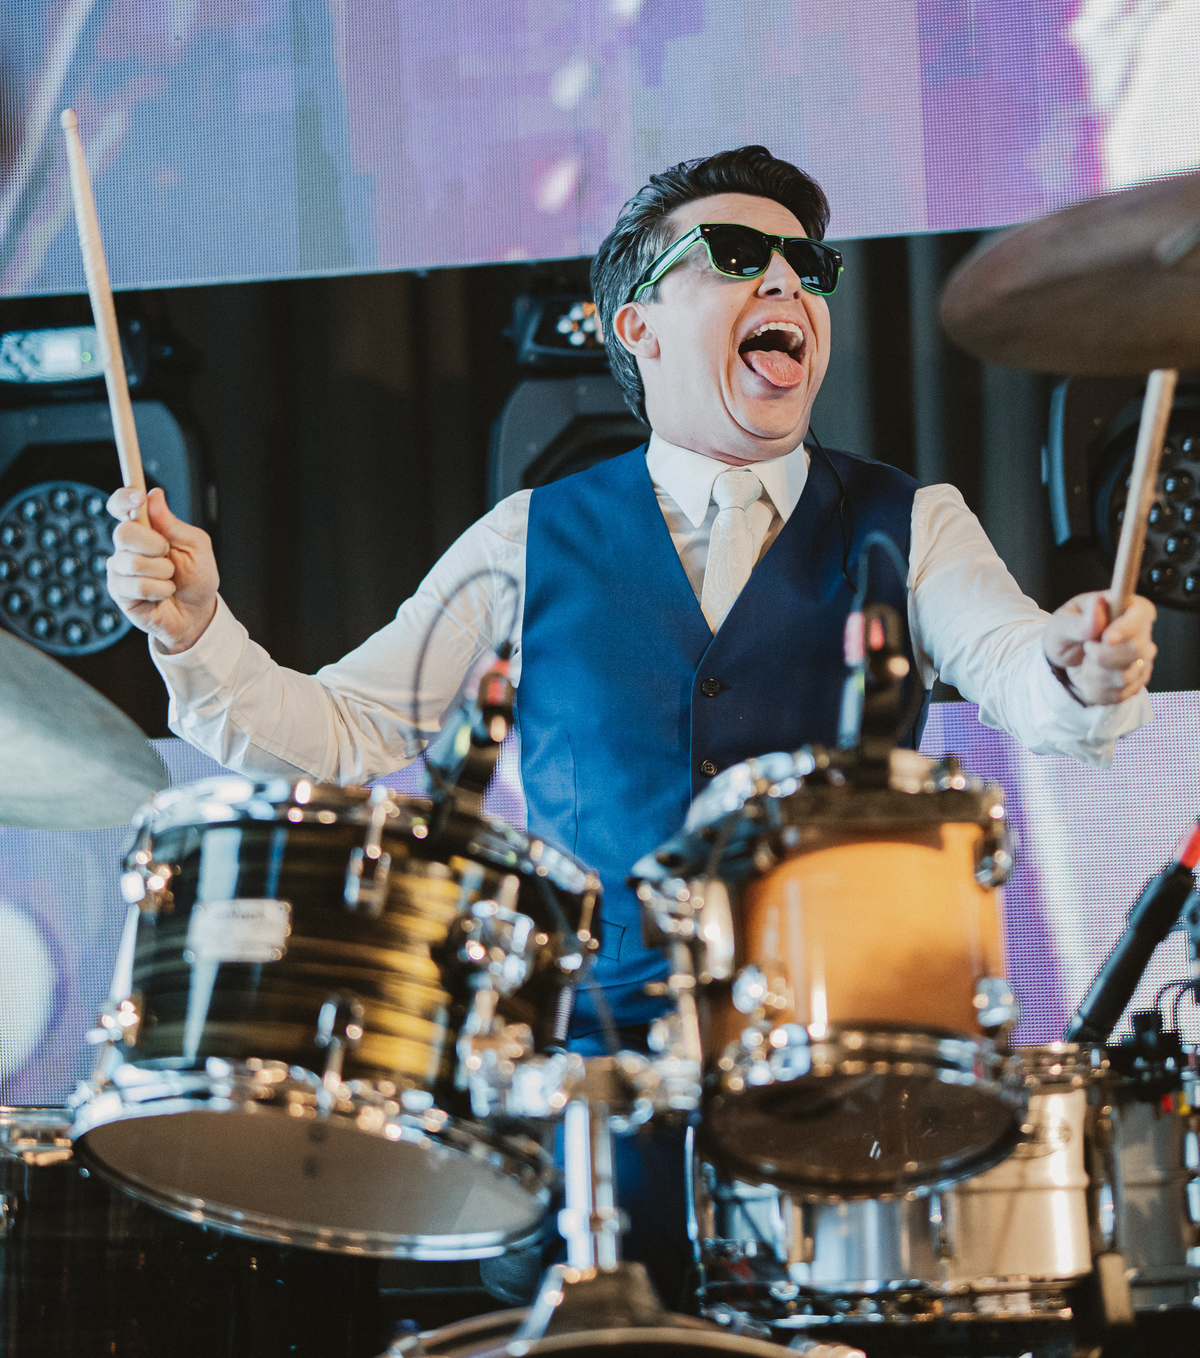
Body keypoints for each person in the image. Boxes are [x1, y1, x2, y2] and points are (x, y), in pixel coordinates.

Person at [106, 145, 1157, 1300]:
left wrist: (1080, 667)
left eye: (808, 267)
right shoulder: (528, 537)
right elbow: (348, 728)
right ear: (636, 326)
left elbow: (1022, 670)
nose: (787, 282)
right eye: (738, 256)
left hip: (842, 1092)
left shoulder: (914, 522)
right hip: (591, 1092)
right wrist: (197, 633)